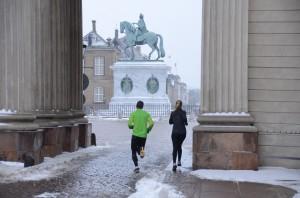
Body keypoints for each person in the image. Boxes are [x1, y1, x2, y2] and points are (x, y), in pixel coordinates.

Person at [128, 101, 154, 173]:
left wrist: (133, 126)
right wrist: (148, 129)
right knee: (141, 147)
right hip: (143, 136)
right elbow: (151, 123)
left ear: (136, 106)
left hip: (135, 135)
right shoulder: (146, 114)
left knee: (133, 150)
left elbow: (129, 125)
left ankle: (136, 167)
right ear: (142, 106)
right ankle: (141, 152)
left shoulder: (133, 114)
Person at [169, 100, 188, 172]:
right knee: (179, 146)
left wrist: (175, 121)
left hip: (175, 132)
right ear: (181, 105)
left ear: (175, 105)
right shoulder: (184, 112)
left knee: (175, 147)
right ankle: (179, 161)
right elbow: (185, 121)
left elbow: (170, 122)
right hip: (182, 132)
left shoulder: (173, 113)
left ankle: (174, 163)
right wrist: (185, 122)